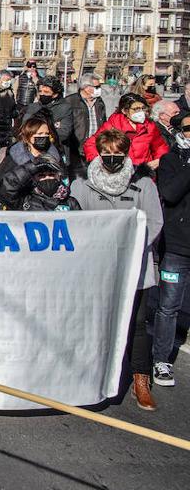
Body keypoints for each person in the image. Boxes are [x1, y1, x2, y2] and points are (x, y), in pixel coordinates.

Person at [69, 128, 163, 411]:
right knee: (94, 322)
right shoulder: (82, 184)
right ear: (98, 153)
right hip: (95, 268)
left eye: (118, 155)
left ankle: (140, 379)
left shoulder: (143, 183)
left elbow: (154, 222)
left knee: (138, 325)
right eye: (106, 154)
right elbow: (77, 222)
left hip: (135, 267)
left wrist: (130, 248)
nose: (112, 160)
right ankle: (88, 376)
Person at [153, 111, 190, 388]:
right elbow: (170, 193)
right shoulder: (170, 160)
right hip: (177, 246)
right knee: (168, 306)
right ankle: (161, 359)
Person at [0, 115, 64, 209]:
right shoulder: (14, 158)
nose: (44, 137)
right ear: (28, 137)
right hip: (20, 208)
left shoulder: (55, 157)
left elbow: (64, 183)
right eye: (40, 134)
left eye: (46, 134)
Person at [84, 93, 169, 171]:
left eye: (143, 108)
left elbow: (160, 146)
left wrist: (159, 160)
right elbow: (91, 144)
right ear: (124, 111)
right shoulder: (112, 125)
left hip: (143, 172)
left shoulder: (150, 126)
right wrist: (101, 162)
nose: (141, 112)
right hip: (119, 172)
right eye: (136, 109)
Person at [66, 73, 107, 176]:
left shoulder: (99, 102)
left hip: (96, 148)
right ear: (86, 88)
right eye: (97, 86)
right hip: (77, 150)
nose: (99, 89)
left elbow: (104, 123)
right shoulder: (70, 102)